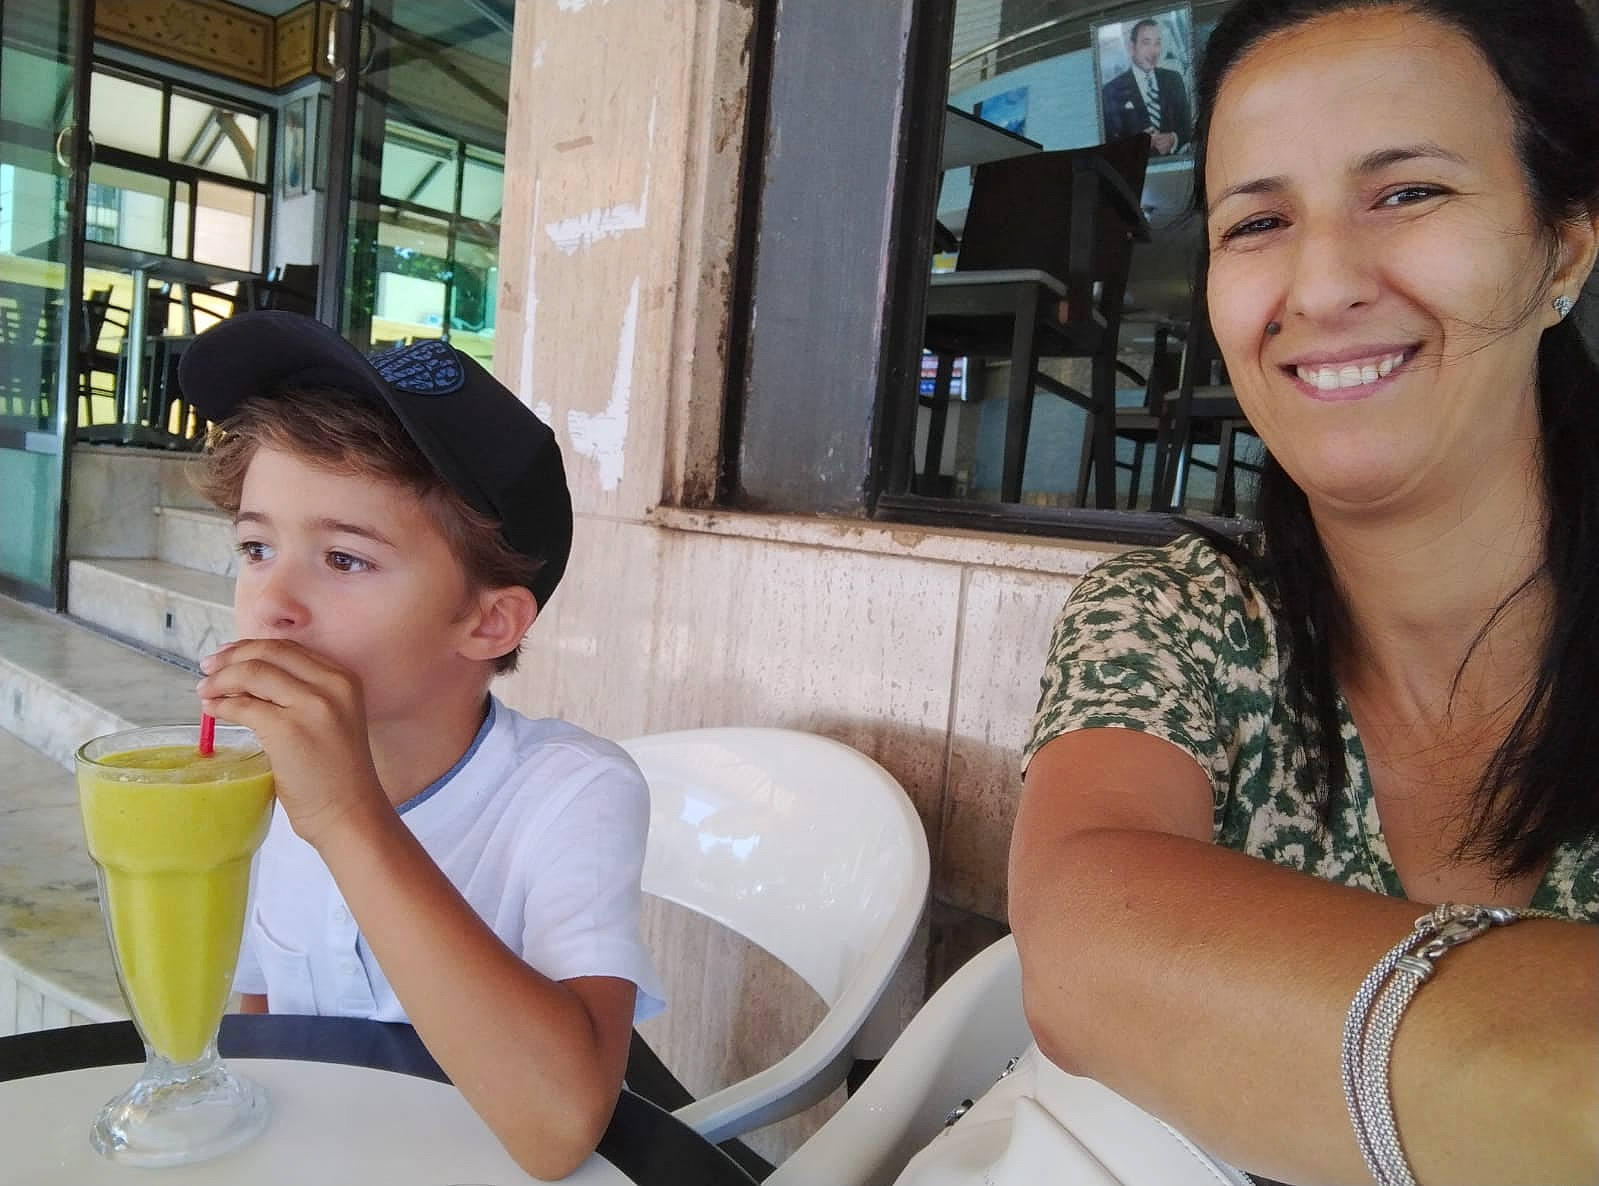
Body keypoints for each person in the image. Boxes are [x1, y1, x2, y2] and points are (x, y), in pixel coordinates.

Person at [911, 2, 1599, 1184]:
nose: (1322, 284)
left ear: (1565, 251)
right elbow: (1085, 943)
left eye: (1408, 193)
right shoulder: (1180, 616)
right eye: (1261, 220)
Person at [179, 312, 665, 1181]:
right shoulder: (250, 780)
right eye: (257, 547)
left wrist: (342, 813)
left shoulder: (570, 791)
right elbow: (257, 1021)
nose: (272, 604)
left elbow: (559, 1130)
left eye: (345, 559)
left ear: (487, 621)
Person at [1100, 18, 1192, 156]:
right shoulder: (1110, 91)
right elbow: (1107, 145)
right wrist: (1136, 144)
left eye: (1157, 43)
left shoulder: (1173, 79)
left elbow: (1189, 126)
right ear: (1132, 47)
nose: (1153, 51)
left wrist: (1174, 139)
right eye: (1146, 43)